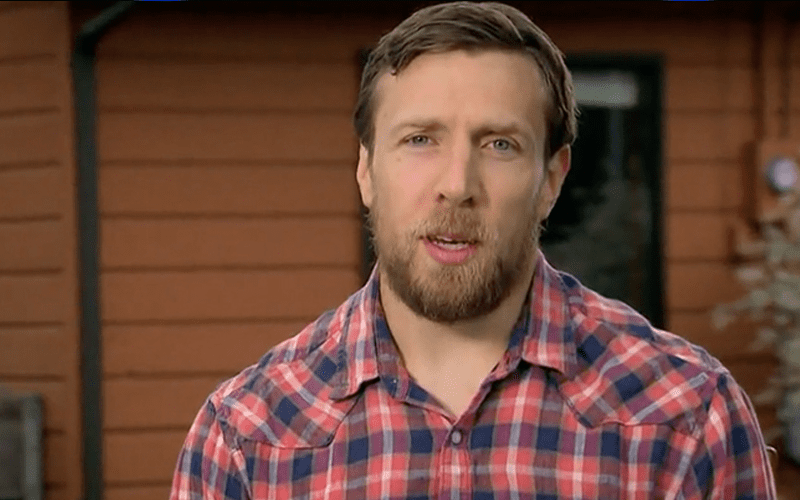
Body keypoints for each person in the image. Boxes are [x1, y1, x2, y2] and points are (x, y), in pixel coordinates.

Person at [170, 2, 777, 498]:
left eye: (499, 144)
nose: (457, 184)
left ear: (552, 179)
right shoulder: (248, 434)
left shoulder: (686, 415)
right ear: (365, 170)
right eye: (419, 139)